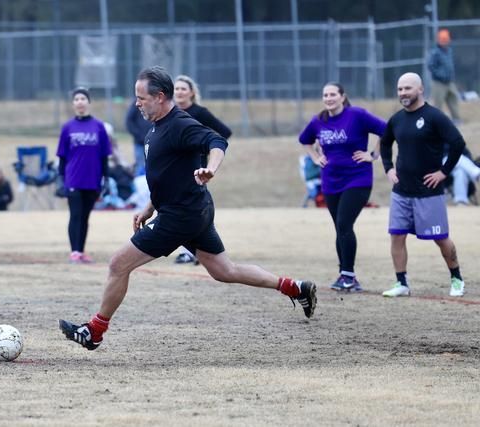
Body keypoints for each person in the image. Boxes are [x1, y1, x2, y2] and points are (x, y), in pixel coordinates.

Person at [59, 66, 317, 351]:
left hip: (181, 215)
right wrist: (149, 207)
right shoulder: (156, 126)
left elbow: (217, 140)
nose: (137, 103)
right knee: (225, 271)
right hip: (191, 210)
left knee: (118, 264)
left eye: (141, 98)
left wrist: (211, 169)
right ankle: (295, 287)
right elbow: (167, 175)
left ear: (159, 96)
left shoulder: (180, 123)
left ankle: (94, 331)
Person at [380, 72, 466, 298]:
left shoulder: (434, 116)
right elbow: (385, 143)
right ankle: (402, 283)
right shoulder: (396, 119)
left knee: (440, 238)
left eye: (407, 88)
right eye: (400, 89)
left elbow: (458, 143)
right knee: (397, 236)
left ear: (420, 89)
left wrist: (443, 172)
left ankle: (457, 279)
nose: (403, 93)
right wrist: (388, 168)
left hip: (429, 193)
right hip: (401, 192)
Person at [299, 82, 386, 293]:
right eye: (325, 95)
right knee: (340, 228)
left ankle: (349, 276)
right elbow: (305, 140)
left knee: (344, 223)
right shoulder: (319, 121)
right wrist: (316, 157)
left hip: (357, 179)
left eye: (333, 94)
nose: (328, 98)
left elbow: (387, 130)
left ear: (342, 97)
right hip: (330, 181)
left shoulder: (357, 115)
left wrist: (373, 155)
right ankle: (344, 274)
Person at [172, 74, 233, 265]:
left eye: (183, 88)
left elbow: (224, 132)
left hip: (196, 169)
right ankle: (193, 250)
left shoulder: (199, 112)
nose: (179, 92)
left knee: (191, 208)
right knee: (178, 207)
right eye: (176, 88)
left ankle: (192, 251)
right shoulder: (170, 112)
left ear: (191, 92)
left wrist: (205, 148)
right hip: (175, 167)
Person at [56, 87, 112, 264]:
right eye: (76, 99)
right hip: (73, 178)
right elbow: (62, 157)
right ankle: (74, 252)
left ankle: (81, 251)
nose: (80, 102)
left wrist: (106, 179)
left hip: (92, 179)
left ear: (89, 102)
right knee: (76, 215)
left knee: (85, 216)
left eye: (83, 99)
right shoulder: (68, 127)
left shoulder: (99, 126)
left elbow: (104, 156)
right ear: (73, 104)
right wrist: (60, 179)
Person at [428, 29, 461, 123]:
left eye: (446, 40)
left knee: (453, 99)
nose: (445, 42)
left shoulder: (449, 51)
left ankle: (456, 119)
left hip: (449, 81)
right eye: (443, 40)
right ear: (439, 40)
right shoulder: (435, 52)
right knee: (438, 104)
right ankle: (436, 122)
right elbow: (431, 66)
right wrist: (440, 75)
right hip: (438, 83)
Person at [125, 98, 152, 175]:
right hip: (140, 143)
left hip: (155, 142)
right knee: (140, 167)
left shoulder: (156, 101)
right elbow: (129, 121)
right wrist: (139, 136)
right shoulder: (137, 103)